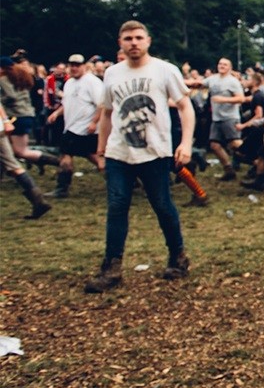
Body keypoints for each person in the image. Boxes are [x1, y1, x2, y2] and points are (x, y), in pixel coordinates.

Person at [85, 20, 193, 293]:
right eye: (128, 38)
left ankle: (178, 256)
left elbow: (184, 105)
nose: (133, 43)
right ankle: (111, 268)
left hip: (155, 151)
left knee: (162, 203)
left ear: (148, 40)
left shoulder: (165, 70)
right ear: (120, 43)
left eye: (138, 37)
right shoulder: (111, 73)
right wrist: (102, 145)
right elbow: (108, 112)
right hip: (119, 152)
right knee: (117, 206)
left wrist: (186, 143)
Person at [45, 53, 105, 197]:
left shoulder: (92, 82)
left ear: (84, 66)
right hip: (72, 127)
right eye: (72, 65)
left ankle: (62, 188)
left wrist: (94, 122)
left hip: (86, 128)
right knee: (93, 157)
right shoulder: (69, 83)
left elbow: (102, 105)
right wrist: (56, 114)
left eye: (77, 65)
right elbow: (67, 103)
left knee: (68, 155)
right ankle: (129, 181)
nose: (74, 68)